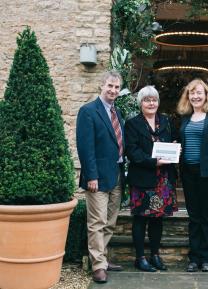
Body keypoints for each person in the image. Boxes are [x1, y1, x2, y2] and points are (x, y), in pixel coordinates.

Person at [76, 70, 125, 283]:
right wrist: (91, 176)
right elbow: (85, 148)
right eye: (110, 86)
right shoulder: (88, 111)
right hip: (97, 178)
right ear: (101, 86)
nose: (113, 90)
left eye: (116, 87)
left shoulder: (117, 112)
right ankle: (97, 266)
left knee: (110, 222)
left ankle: (102, 259)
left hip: (116, 176)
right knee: (97, 222)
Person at [124, 85, 178, 272]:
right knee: (140, 219)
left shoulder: (166, 121)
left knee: (158, 219)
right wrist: (152, 162)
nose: (151, 103)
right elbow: (131, 151)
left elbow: (173, 141)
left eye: (154, 99)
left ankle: (155, 255)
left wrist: (174, 147)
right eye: (147, 100)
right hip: (143, 177)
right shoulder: (132, 123)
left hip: (163, 179)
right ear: (141, 103)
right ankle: (140, 258)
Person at [177, 79, 208, 272]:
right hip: (188, 173)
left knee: (207, 217)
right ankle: (194, 258)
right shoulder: (185, 118)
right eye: (192, 93)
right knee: (193, 217)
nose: (195, 96)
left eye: (199, 93)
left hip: (207, 174)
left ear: (206, 95)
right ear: (187, 96)